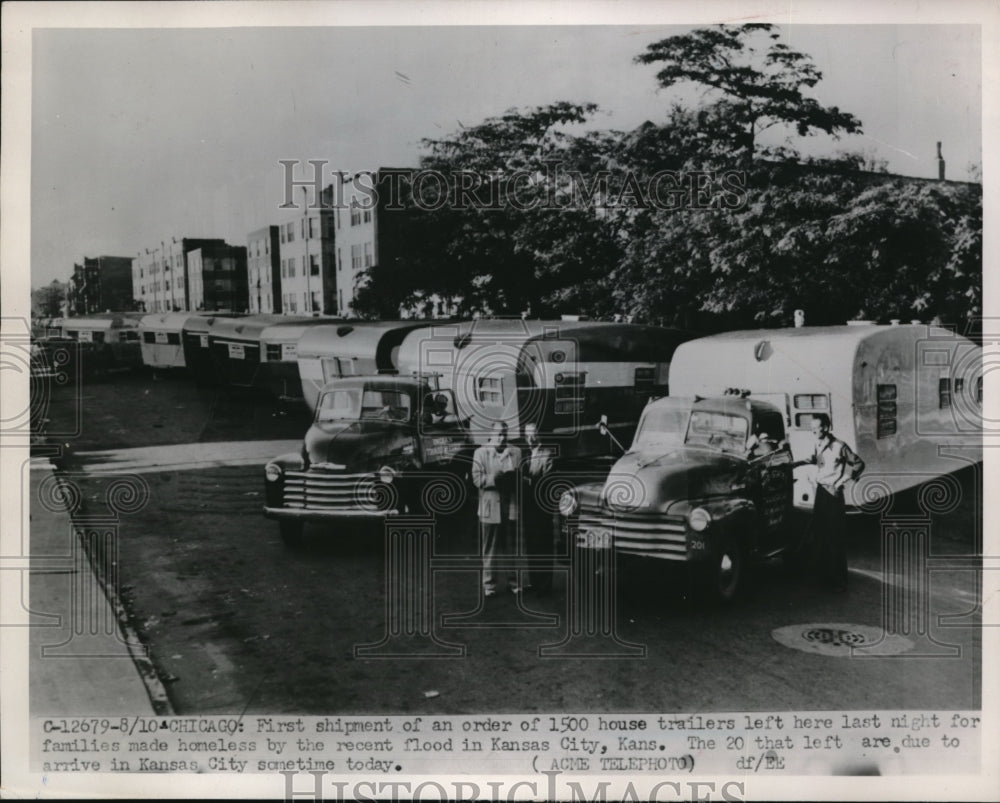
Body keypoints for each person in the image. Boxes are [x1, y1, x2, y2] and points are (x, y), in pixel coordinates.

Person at [793, 414, 865, 591]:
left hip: (833, 494)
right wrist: (795, 464)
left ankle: (839, 582)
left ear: (826, 427)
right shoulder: (818, 444)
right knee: (820, 535)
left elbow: (858, 464)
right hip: (821, 493)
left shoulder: (839, 446)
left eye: (816, 427)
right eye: (812, 428)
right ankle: (823, 578)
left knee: (835, 537)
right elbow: (815, 460)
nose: (813, 431)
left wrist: (842, 482)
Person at [471, 421, 522, 597]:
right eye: (499, 434)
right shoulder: (480, 452)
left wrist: (514, 479)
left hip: (510, 506)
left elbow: (519, 477)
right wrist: (495, 479)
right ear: (491, 434)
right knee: (490, 549)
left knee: (510, 548)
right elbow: (477, 479)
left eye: (505, 434)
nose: (502, 438)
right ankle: (489, 586)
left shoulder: (516, 452)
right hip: (489, 507)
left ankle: (513, 583)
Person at [519, 423, 556, 595]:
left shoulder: (547, 454)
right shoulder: (525, 455)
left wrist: (529, 482)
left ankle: (545, 585)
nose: (530, 438)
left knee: (544, 546)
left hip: (542, 509)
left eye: (533, 434)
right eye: (527, 434)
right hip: (528, 508)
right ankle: (535, 583)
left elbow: (547, 482)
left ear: (539, 435)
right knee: (532, 546)